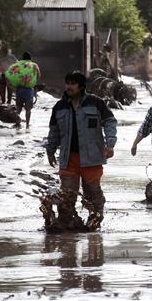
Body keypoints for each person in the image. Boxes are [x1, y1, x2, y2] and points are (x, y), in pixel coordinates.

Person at [46, 71, 117, 231]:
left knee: (93, 194)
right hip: (68, 159)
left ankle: (94, 223)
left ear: (81, 86)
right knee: (66, 195)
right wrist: (50, 150)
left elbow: (110, 122)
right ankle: (65, 224)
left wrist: (110, 143)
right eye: (67, 83)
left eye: (72, 83)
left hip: (91, 158)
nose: (69, 87)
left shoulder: (96, 103)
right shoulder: (60, 106)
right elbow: (54, 131)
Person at [7, 51, 41, 129]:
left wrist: (12, 84)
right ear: (30, 58)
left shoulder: (17, 65)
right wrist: (34, 82)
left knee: (18, 108)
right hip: (29, 90)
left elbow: (9, 73)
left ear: (22, 58)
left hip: (19, 89)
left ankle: (17, 123)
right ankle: (27, 125)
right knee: (28, 109)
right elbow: (39, 74)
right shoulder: (34, 65)